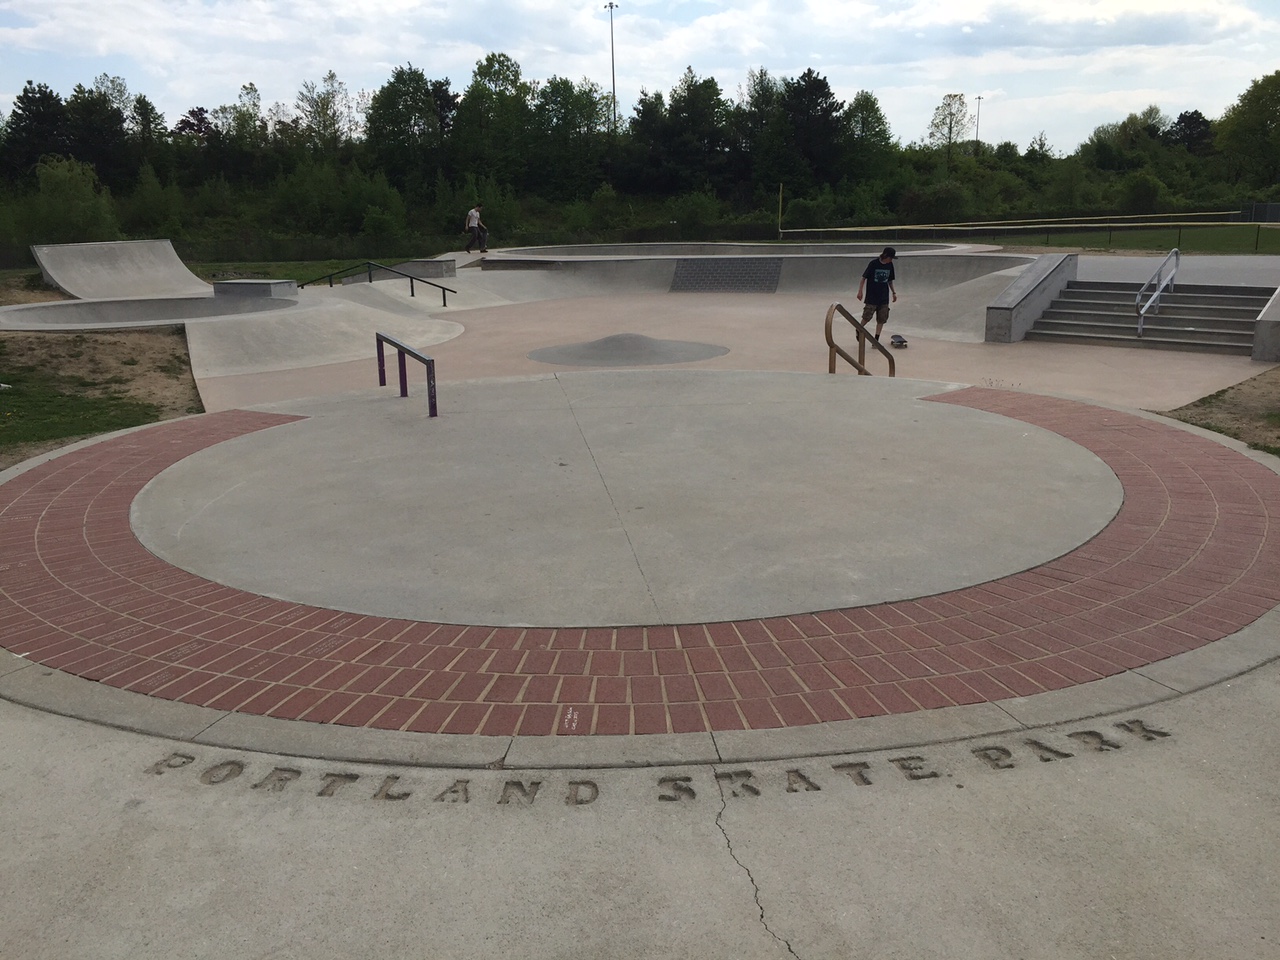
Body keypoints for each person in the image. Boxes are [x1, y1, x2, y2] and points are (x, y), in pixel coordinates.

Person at [856, 246, 897, 341]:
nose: (891, 261)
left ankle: (876, 339)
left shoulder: (890, 265)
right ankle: (859, 328)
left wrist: (894, 293)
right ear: (885, 256)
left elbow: (890, 280)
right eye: (890, 258)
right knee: (867, 316)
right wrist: (860, 291)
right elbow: (863, 278)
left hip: (884, 296)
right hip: (872, 296)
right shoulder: (873, 264)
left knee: (882, 318)